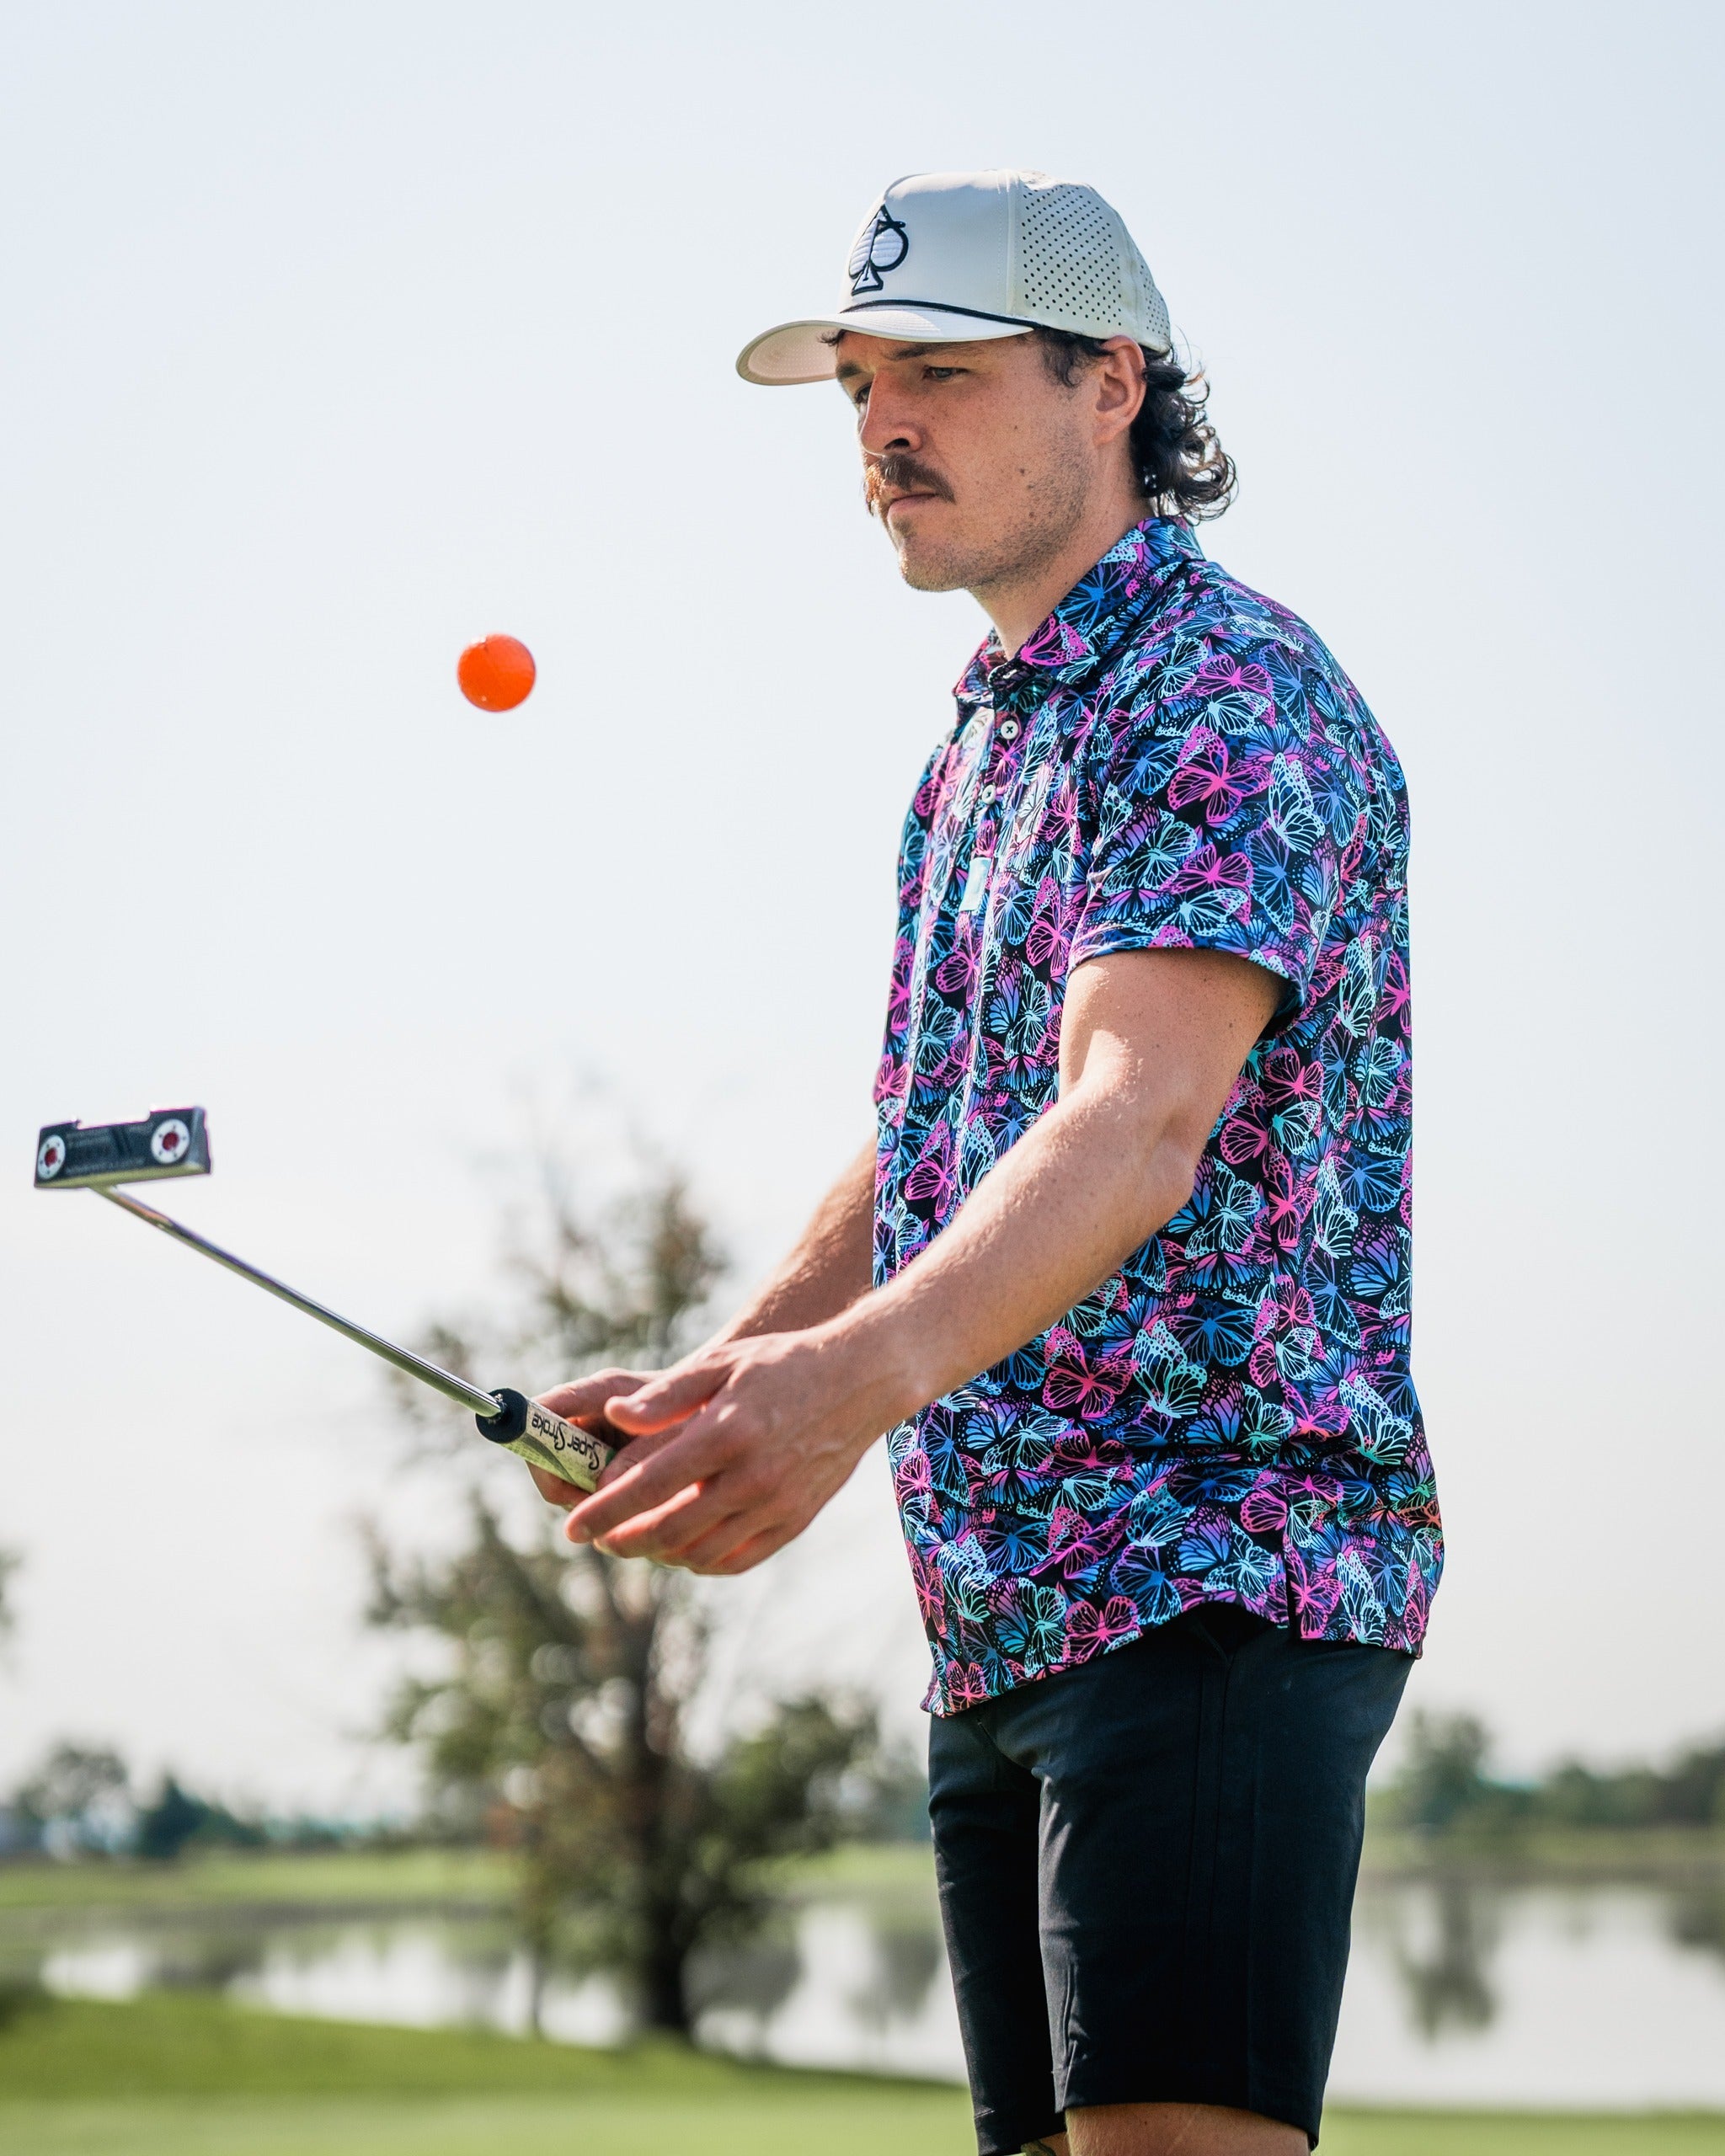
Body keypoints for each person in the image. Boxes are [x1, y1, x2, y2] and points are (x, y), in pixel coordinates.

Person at [531, 170, 1442, 2156]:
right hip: (1008, 1607)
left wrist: (841, 1388)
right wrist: (736, 1368)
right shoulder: (984, 742)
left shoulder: (1221, 690)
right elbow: (946, 1119)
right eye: (857, 387)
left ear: (1111, 383)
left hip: (1213, 1568)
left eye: (934, 372)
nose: (879, 430)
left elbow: (1135, 1116)